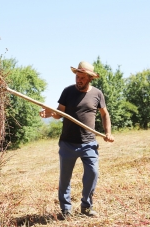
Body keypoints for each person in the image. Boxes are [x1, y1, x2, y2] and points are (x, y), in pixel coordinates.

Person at [39, 61, 114, 218]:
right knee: (65, 179)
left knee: (92, 173)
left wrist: (108, 132)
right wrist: (50, 113)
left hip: (89, 144)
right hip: (68, 143)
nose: (78, 80)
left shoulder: (97, 94)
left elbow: (105, 114)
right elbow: (60, 113)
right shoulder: (67, 92)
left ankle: (86, 207)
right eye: (77, 77)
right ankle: (66, 210)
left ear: (89, 79)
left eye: (82, 78)